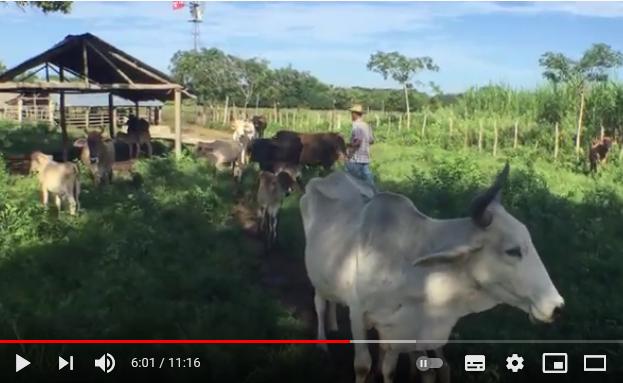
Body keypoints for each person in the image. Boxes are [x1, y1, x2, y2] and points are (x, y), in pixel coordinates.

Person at [345, 104, 375, 188]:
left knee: (351, 181)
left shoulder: (356, 126)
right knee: (368, 181)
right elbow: (371, 141)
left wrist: (348, 145)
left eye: (352, 113)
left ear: (355, 114)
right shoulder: (366, 125)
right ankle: (374, 196)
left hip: (356, 158)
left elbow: (358, 142)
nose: (351, 115)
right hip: (365, 157)